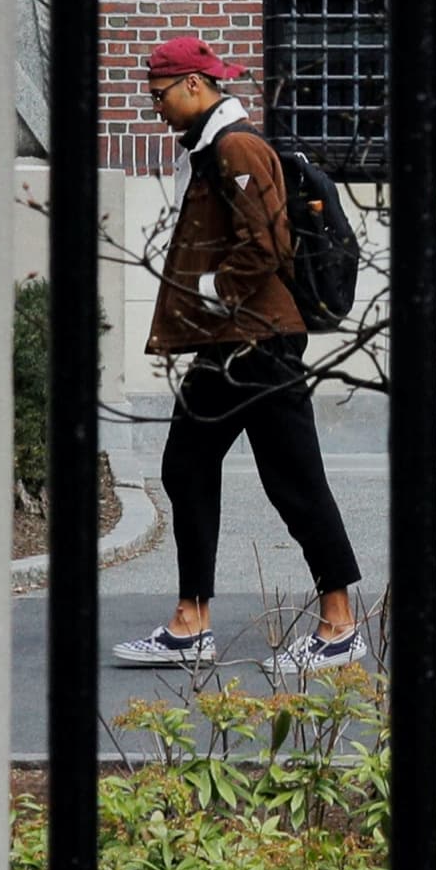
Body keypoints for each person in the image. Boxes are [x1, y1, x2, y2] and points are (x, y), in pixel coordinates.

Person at [111, 34, 369, 677]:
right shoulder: (207, 150)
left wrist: (211, 289)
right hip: (227, 346)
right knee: (185, 467)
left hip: (260, 343)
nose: (157, 108)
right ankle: (190, 623)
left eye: (160, 96)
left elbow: (270, 242)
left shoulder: (238, 146)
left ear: (194, 86)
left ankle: (339, 627)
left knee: (294, 481)